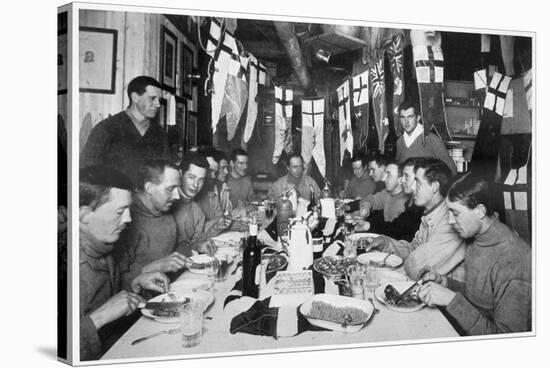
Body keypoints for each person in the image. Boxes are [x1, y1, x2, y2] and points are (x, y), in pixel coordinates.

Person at [417, 173, 531, 335]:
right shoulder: (476, 238)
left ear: (480, 211)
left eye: (455, 213)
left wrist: (451, 300)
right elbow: (482, 299)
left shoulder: (514, 260)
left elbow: (506, 342)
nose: (450, 221)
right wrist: (445, 283)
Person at [79, 166, 169, 361]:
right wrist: (98, 318)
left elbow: (111, 302)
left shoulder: (103, 246)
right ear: (84, 215)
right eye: (120, 212)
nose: (128, 219)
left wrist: (135, 285)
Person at [367, 158, 465, 280]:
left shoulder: (449, 222)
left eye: (418, 183)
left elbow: (416, 267)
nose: (413, 188)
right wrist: (386, 243)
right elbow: (414, 248)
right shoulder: (429, 213)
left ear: (435, 187)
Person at [80, 75, 172, 184]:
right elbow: (87, 172)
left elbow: (166, 173)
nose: (157, 104)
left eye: (159, 100)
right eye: (152, 98)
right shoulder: (106, 129)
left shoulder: (160, 134)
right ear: (135, 97)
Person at [115, 159, 188, 291]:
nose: (177, 196)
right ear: (149, 188)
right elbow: (115, 285)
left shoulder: (165, 208)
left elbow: (178, 249)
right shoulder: (124, 220)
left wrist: (197, 245)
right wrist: (153, 268)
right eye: (171, 189)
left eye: (178, 188)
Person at [173, 153, 231, 255]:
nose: (196, 185)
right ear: (180, 174)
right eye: (191, 177)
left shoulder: (196, 209)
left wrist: (215, 228)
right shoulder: (168, 203)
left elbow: (197, 241)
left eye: (201, 180)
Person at [358, 157, 424, 241]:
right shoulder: (390, 195)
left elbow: (397, 234)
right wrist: (366, 210)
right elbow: (394, 228)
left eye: (389, 174)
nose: (384, 178)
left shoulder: (410, 204)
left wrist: (368, 225)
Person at [395, 100, 457, 175]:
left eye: (410, 117)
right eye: (403, 117)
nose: (406, 121)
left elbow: (451, 170)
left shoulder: (432, 140)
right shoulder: (400, 142)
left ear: (418, 118)